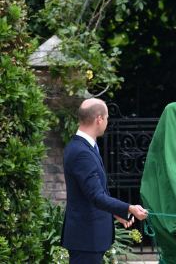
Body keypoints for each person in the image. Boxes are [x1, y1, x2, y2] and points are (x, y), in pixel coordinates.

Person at [61, 98, 148, 264]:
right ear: (99, 119)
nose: (107, 121)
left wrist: (116, 212)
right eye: (107, 117)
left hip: (89, 239)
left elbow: (92, 192)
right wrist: (129, 208)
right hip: (86, 239)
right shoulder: (82, 152)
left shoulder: (87, 147)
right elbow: (96, 196)